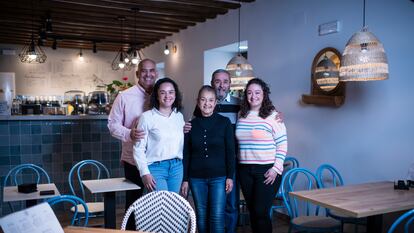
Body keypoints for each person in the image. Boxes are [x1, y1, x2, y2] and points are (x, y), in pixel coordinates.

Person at [107, 58, 157, 230]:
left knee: (155, 204)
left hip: (157, 160)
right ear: (137, 74)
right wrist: (129, 133)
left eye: (152, 71)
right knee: (134, 203)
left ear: (156, 73)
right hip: (133, 160)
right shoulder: (124, 97)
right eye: (144, 71)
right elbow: (112, 125)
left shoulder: (163, 94)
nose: (148, 74)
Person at [181, 85, 236, 233]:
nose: (207, 103)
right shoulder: (190, 126)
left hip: (219, 177)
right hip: (196, 178)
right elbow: (186, 154)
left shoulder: (224, 123)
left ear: (215, 102)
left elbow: (230, 152)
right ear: (198, 102)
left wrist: (230, 177)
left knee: (217, 217)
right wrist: (185, 179)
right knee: (201, 217)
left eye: (211, 100)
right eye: (203, 100)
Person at [235, 78, 287, 233]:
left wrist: (276, 169)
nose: (253, 96)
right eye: (249, 93)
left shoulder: (273, 116)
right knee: (253, 212)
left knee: (261, 212)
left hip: (267, 171)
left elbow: (282, 144)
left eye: (257, 92)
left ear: (264, 94)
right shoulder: (241, 114)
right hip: (244, 170)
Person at [133, 77, 185, 193]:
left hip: (177, 167)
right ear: (157, 95)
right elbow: (138, 148)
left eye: (171, 92)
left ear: (175, 95)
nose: (167, 96)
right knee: (161, 205)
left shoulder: (179, 117)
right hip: (156, 168)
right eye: (163, 92)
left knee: (172, 205)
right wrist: (144, 173)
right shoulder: (146, 117)